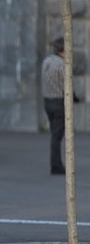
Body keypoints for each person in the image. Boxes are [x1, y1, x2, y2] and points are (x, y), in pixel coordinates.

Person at [42, 37, 66, 175]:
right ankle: (56, 165)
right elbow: (66, 85)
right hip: (58, 101)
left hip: (47, 100)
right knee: (57, 136)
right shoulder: (63, 64)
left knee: (54, 133)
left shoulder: (47, 61)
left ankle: (55, 162)